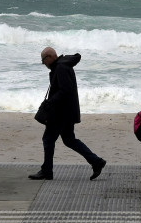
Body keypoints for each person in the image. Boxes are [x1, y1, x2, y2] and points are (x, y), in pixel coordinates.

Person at [28, 47, 106, 181]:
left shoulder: (61, 68)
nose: (43, 64)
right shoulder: (62, 66)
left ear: (50, 56)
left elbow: (66, 90)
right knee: (69, 140)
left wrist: (50, 102)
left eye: (43, 60)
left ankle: (47, 171)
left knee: (48, 139)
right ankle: (96, 161)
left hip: (61, 113)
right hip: (67, 112)